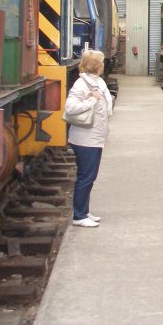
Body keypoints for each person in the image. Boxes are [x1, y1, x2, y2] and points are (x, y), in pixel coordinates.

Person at [64, 49, 113, 228]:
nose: (103, 65)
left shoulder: (96, 81)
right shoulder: (81, 84)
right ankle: (79, 215)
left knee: (89, 177)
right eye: (101, 62)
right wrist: (92, 101)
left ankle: (84, 211)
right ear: (96, 66)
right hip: (85, 139)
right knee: (86, 176)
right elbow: (70, 108)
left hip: (94, 137)